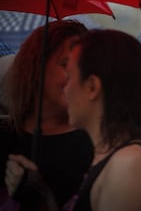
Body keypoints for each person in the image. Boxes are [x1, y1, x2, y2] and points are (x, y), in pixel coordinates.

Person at [63, 29, 141, 211]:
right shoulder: (115, 157)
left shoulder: (128, 165)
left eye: (69, 77)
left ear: (92, 87)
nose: (65, 89)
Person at [0, 20, 93, 211]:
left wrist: (42, 197)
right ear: (35, 66)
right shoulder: (4, 135)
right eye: (66, 64)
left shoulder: (94, 145)